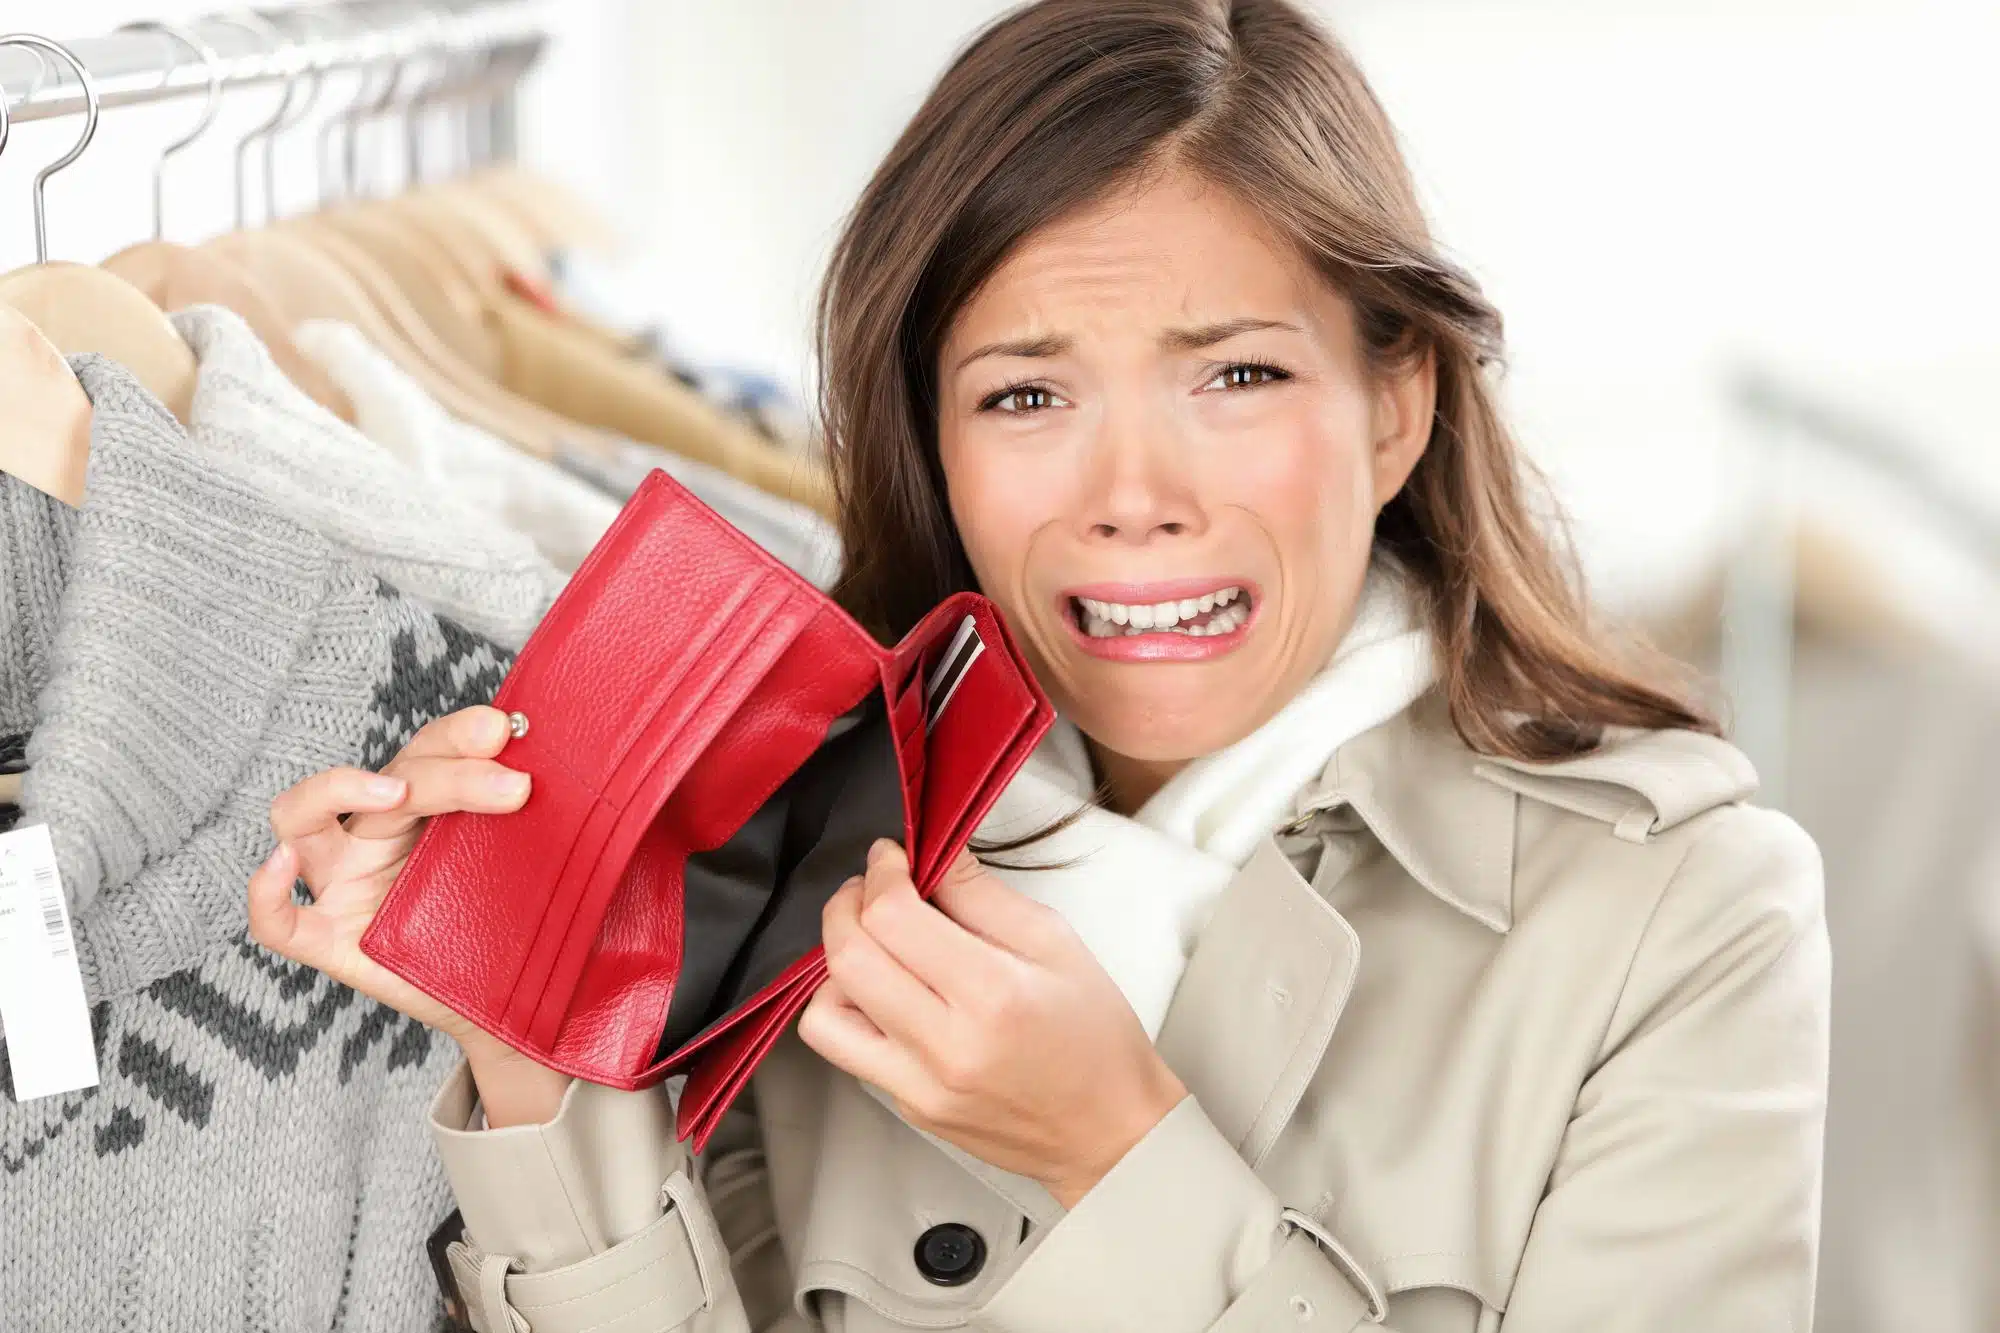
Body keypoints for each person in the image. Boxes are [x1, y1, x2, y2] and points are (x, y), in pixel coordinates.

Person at [247, 1, 1830, 1328]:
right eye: (1024, 398)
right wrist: (531, 1048)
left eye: (1238, 375)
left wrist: (1117, 1158)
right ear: (929, 444)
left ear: (1397, 406)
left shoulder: (1680, 919)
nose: (1135, 495)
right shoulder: (795, 835)